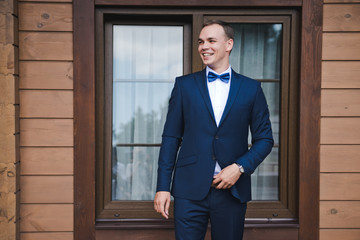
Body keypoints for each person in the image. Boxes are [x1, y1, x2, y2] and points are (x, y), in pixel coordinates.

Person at [154, 20, 274, 240]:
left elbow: (265, 139)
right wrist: (163, 187)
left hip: (232, 191)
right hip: (189, 189)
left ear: (229, 44)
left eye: (211, 40)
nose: (203, 46)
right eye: (201, 42)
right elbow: (171, 137)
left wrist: (239, 168)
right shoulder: (184, 86)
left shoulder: (251, 89)